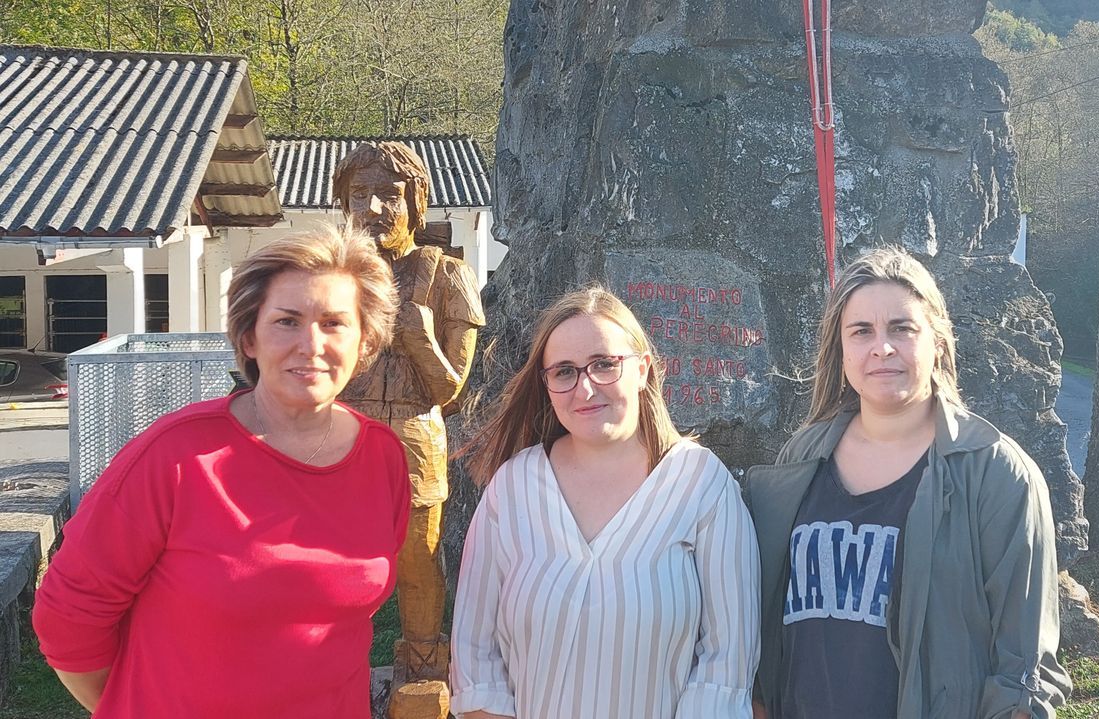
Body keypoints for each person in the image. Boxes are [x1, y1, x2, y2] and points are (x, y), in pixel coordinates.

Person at [33, 225, 410, 718]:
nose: (311, 344)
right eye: (287, 321)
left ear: (365, 344)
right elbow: (68, 619)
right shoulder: (176, 456)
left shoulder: (382, 457)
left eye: (335, 322)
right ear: (249, 338)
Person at [744, 247, 1071, 719]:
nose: (882, 347)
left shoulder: (996, 474)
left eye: (902, 328)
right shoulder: (799, 459)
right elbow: (767, 626)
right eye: (862, 331)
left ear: (936, 340)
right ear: (841, 350)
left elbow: (1025, 671)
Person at [451, 286, 760, 719]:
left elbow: (725, 667)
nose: (586, 387)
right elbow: (475, 659)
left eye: (604, 365)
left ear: (643, 370)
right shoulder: (513, 488)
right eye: (564, 372)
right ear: (547, 385)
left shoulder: (701, 485)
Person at [332, 141, 485, 717]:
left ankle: (423, 661)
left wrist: (416, 331)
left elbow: (451, 389)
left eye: (389, 196)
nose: (373, 208)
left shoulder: (448, 274)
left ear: (416, 204)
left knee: (418, 560)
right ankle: (333, 658)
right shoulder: (334, 278)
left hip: (416, 443)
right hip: (343, 442)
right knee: (338, 557)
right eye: (359, 196)